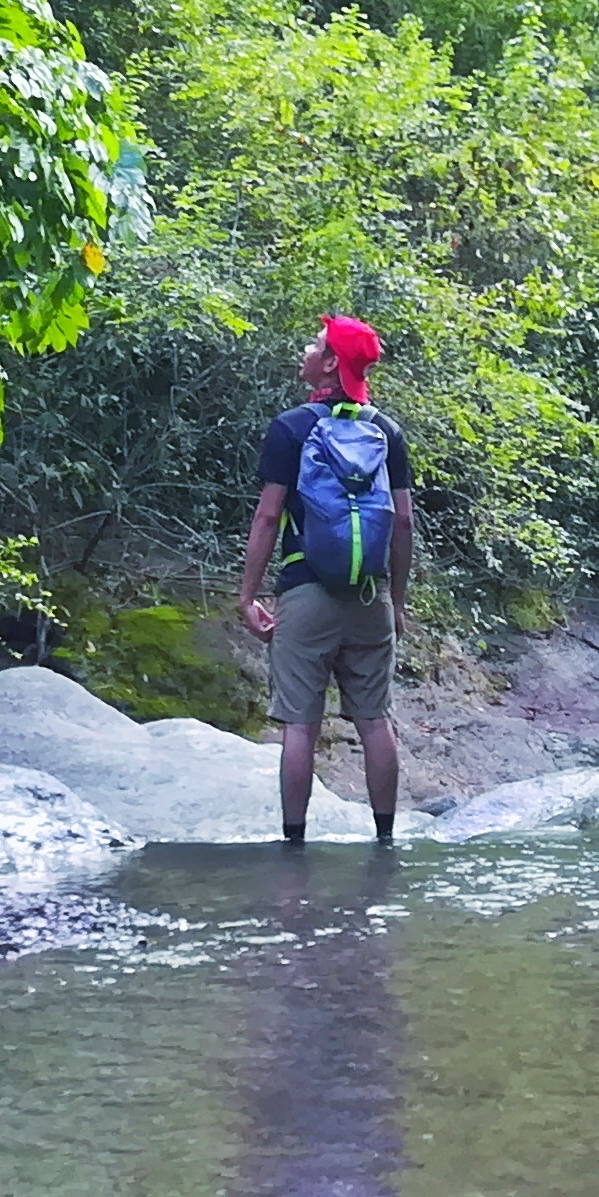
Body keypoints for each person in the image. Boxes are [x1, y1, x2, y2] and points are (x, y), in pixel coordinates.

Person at [238, 313, 413, 843]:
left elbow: (269, 516)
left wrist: (248, 595)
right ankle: (385, 843)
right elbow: (403, 521)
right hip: (369, 596)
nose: (305, 351)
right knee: (375, 720)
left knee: (300, 725)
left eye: (315, 345)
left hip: (305, 593)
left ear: (331, 364)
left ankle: (295, 846)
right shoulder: (386, 431)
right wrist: (396, 601)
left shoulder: (292, 427)